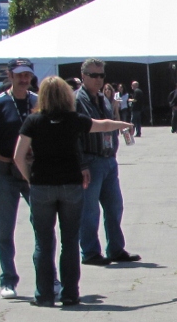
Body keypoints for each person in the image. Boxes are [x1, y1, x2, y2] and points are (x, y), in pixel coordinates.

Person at [13, 77, 132, 306]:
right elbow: (103, 125)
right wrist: (122, 125)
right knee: (70, 241)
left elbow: (19, 156)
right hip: (71, 185)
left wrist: (30, 179)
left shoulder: (33, 121)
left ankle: (44, 294)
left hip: (42, 186)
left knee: (44, 242)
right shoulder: (74, 120)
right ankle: (70, 293)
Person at [0, 59, 39, 298]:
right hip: (4, 172)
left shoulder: (38, 103)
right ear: (10, 75)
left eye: (27, 75)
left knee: (43, 226)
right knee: (4, 230)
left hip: (33, 172)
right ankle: (8, 280)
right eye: (19, 75)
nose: (24, 79)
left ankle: (48, 277)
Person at [76, 58, 140, 266]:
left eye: (101, 75)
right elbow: (78, 133)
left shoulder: (103, 98)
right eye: (93, 75)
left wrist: (119, 130)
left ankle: (115, 248)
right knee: (89, 210)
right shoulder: (78, 100)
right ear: (83, 76)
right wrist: (82, 163)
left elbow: (108, 123)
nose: (98, 80)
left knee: (115, 206)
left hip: (108, 159)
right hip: (90, 159)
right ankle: (90, 252)